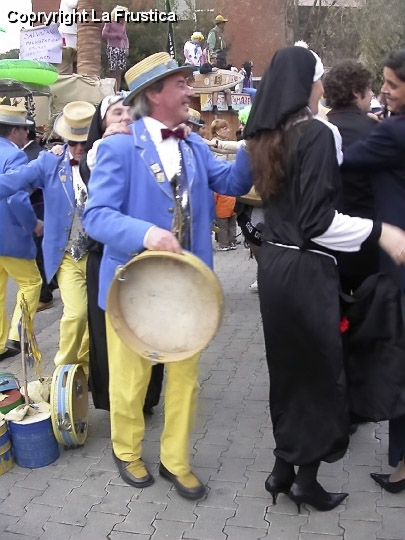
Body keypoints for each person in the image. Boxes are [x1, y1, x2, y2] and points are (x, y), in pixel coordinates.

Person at [82, 52, 252, 500]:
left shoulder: (193, 145)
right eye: (181, 83)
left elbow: (234, 184)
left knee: (185, 381)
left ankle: (175, 461)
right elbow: (96, 217)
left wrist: (254, 141)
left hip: (187, 291)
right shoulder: (120, 147)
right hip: (133, 289)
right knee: (131, 380)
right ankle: (126, 450)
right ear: (154, 94)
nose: (190, 91)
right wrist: (146, 233)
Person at [243, 45, 405, 512]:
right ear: (305, 84)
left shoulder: (266, 135)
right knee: (319, 377)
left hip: (274, 266)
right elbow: (319, 222)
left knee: (289, 373)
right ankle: (306, 482)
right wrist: (380, 232)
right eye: (317, 78)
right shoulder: (316, 133)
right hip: (306, 269)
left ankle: (283, 470)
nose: (321, 87)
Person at [343, 49, 405, 494]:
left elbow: (343, 160)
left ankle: (403, 467)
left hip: (399, 261)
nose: (384, 90)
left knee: (399, 362)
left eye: (392, 85)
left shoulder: (395, 133)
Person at [79, 93, 164, 414]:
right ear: (101, 124)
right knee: (109, 334)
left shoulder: (149, 152)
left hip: (148, 257)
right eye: (116, 113)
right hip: (106, 259)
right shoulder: (95, 156)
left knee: (149, 331)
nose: (125, 118)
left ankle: (146, 398)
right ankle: (116, 400)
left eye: (130, 113)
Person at [0, 101, 96, 372]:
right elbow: (14, 182)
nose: (78, 148)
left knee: (97, 318)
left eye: (84, 142)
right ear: (64, 138)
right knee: (76, 314)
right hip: (67, 255)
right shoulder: (50, 161)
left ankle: (86, 369)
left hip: (102, 253)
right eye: (73, 141)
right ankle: (63, 373)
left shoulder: (108, 160)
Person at [323, 60, 379, 294]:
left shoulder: (316, 130)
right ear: (357, 92)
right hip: (369, 242)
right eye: (369, 89)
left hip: (324, 243)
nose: (373, 94)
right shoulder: (376, 133)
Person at [0, 105, 42, 360]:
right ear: (14, 131)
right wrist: (33, 223)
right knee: (31, 282)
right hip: (10, 233)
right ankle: (18, 335)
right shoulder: (15, 156)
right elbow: (16, 198)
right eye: (24, 129)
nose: (27, 134)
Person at [24, 119, 54, 312]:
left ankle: (44, 294)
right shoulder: (31, 152)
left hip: (38, 207)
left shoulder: (34, 154)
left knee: (38, 252)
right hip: (35, 207)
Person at [210, 119, 237, 251]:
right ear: (217, 131)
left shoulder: (230, 143)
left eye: (227, 128)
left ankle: (231, 240)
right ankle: (223, 242)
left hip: (231, 185)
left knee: (232, 217)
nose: (228, 130)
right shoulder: (212, 145)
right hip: (220, 187)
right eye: (225, 128)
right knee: (222, 219)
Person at [102, 5, 130, 91]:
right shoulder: (109, 22)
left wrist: (126, 48)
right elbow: (104, 34)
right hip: (112, 48)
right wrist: (116, 35)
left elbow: (125, 37)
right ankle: (112, 90)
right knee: (113, 71)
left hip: (121, 49)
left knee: (119, 71)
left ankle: (117, 90)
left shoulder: (123, 24)